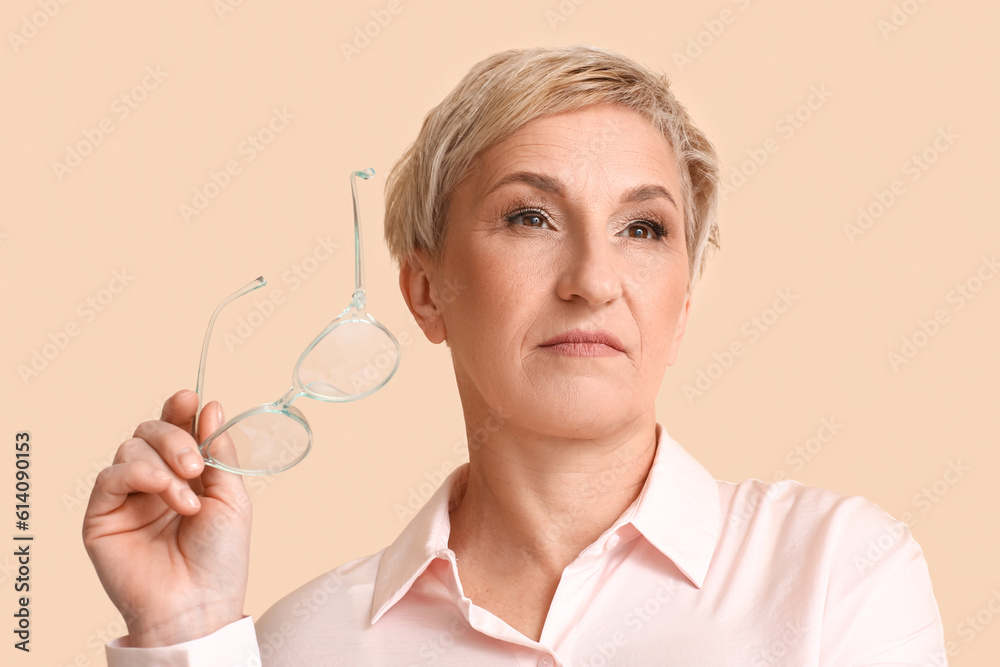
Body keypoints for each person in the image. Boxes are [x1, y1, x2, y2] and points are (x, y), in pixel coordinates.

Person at [84, 45, 947, 665]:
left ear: (681, 307)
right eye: (530, 217)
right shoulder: (296, 645)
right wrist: (184, 632)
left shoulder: (837, 572)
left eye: (643, 228)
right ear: (425, 290)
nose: (593, 280)